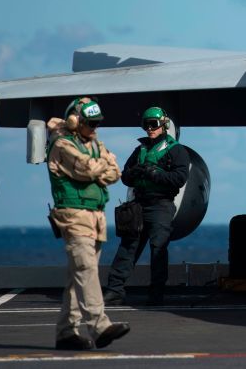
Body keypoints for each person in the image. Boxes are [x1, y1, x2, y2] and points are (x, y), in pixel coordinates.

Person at [46, 96, 130, 350]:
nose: (94, 129)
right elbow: (87, 169)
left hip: (95, 218)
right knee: (86, 270)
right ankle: (99, 325)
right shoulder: (62, 144)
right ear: (75, 121)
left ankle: (66, 333)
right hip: (74, 217)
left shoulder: (92, 143)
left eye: (96, 124)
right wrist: (102, 166)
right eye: (90, 124)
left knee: (76, 276)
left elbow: (115, 171)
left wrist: (100, 167)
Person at [104, 106, 189, 306]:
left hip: (161, 205)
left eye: (154, 124)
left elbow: (180, 178)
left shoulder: (176, 150)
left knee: (158, 248)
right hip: (139, 204)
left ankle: (156, 293)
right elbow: (125, 176)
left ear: (163, 125)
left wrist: (154, 174)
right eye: (146, 125)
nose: (150, 129)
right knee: (127, 247)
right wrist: (136, 173)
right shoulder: (139, 150)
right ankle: (115, 290)